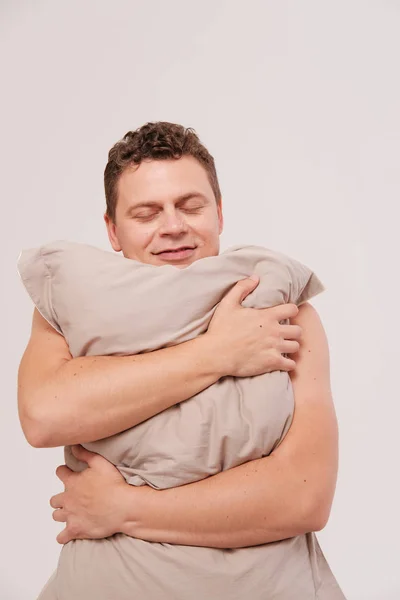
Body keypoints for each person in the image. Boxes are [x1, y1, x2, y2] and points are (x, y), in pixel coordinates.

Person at [17, 122, 340, 587]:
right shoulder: (70, 313)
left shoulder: (285, 313)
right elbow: (44, 416)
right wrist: (217, 352)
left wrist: (125, 508)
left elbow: (305, 498)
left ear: (220, 214)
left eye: (191, 206)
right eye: (146, 214)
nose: (173, 227)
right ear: (112, 230)